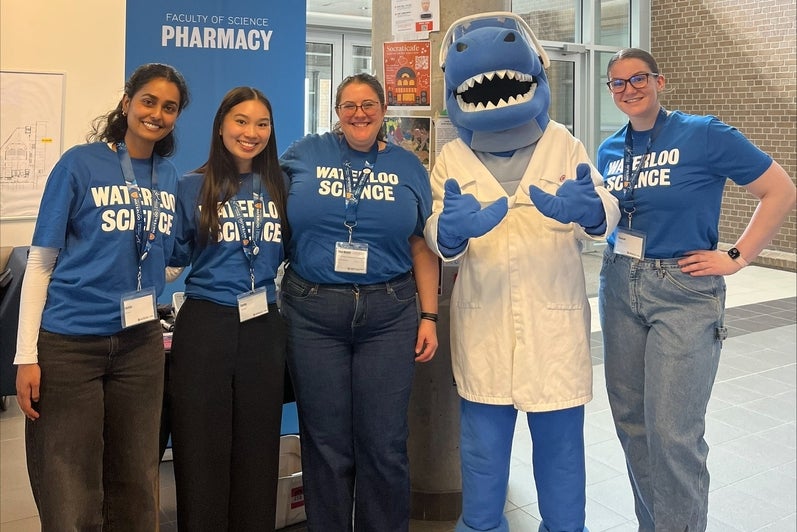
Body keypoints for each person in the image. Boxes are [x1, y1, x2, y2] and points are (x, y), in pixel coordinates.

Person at [424, 13, 620, 532]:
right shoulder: (451, 156)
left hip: (552, 332)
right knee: (483, 457)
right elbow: (439, 237)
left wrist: (592, 209)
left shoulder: (564, 143)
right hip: (484, 326)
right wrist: (449, 231)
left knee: (560, 459)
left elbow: (602, 212)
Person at [596, 48, 797, 531]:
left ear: (660, 81)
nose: (629, 89)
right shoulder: (609, 149)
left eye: (638, 78)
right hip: (620, 282)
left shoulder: (703, 134)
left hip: (682, 289)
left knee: (673, 432)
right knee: (631, 423)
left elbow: (781, 190)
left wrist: (737, 256)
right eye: (618, 83)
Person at [13, 62, 190, 530]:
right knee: (70, 486)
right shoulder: (79, 163)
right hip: (70, 345)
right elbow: (40, 262)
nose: (157, 114)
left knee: (136, 481)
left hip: (140, 345)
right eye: (148, 101)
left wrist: (166, 272)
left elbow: (164, 258)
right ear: (127, 101)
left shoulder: (168, 176)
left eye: (169, 107)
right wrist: (26, 355)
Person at [279, 72, 439, 531]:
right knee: (326, 441)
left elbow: (421, 244)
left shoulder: (408, 167)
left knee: (384, 441)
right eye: (348, 105)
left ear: (383, 110)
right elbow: (258, 185)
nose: (358, 114)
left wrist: (428, 315)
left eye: (368, 104)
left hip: (389, 314)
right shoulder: (304, 153)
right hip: (312, 312)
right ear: (336, 111)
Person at [167, 86, 289, 531]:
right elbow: (173, 256)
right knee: (201, 449)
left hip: (264, 325)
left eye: (262, 124)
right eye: (241, 121)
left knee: (258, 449)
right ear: (221, 125)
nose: (251, 133)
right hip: (206, 324)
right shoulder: (189, 185)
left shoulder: (281, 185)